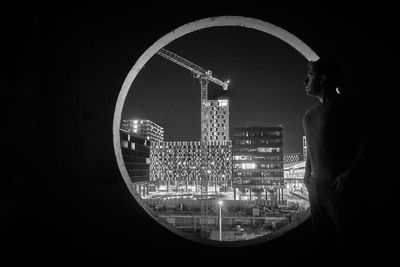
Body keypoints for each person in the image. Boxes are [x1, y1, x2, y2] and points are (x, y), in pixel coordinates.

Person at [302, 58, 368, 261]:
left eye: (310, 76)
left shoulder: (345, 107)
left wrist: (349, 175)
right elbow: (311, 147)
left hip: (337, 188)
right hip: (315, 188)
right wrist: (307, 173)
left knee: (348, 243)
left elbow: (367, 142)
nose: (305, 81)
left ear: (322, 79)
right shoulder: (309, 113)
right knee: (324, 244)